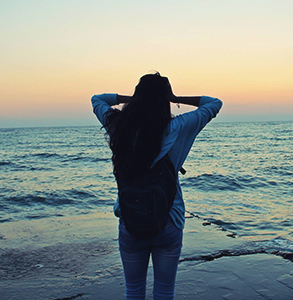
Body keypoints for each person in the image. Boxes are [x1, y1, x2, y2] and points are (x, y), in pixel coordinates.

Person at [91, 72, 222, 299]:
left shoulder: (118, 126)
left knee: (133, 290)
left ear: (138, 95)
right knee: (164, 291)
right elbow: (214, 103)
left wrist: (135, 98)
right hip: (169, 218)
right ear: (165, 99)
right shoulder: (180, 126)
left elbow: (97, 99)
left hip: (130, 217)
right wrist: (174, 97)